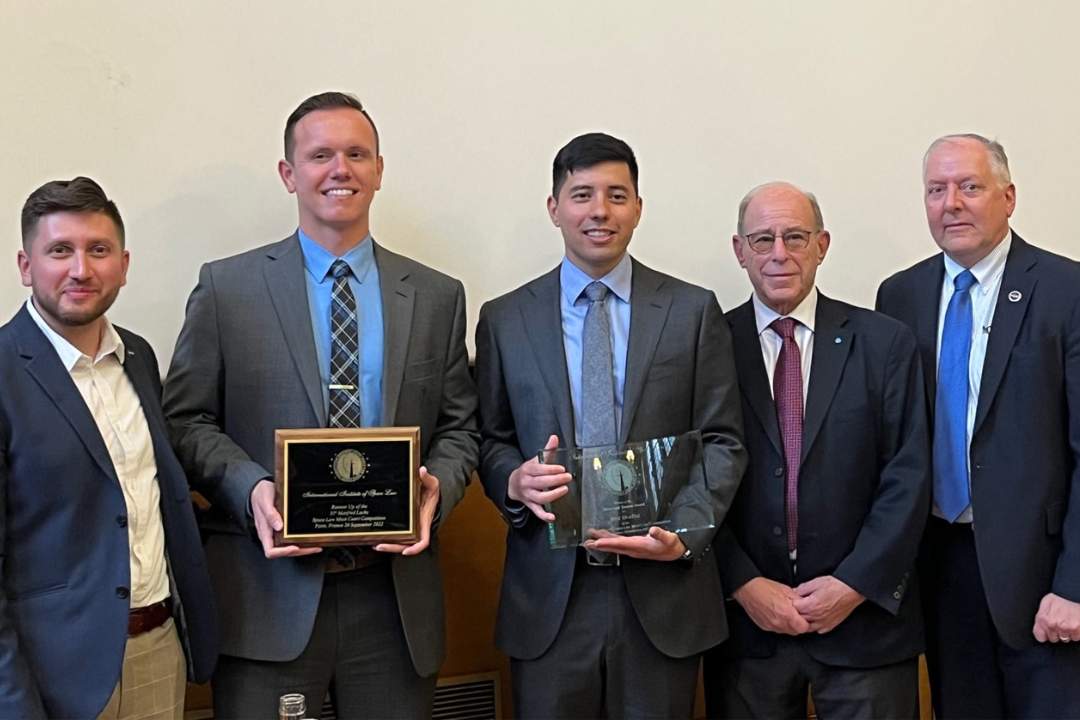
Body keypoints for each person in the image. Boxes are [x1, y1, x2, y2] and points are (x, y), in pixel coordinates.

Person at [162, 92, 479, 719]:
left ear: (380, 170)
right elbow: (185, 420)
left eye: (357, 154)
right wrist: (251, 488)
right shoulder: (228, 288)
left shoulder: (438, 295)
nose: (341, 169)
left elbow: (459, 428)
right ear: (289, 174)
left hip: (393, 602)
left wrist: (437, 486)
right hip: (268, 598)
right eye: (320, 155)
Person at [474, 132, 746, 719]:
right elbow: (490, 439)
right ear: (554, 209)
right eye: (581, 195)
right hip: (550, 593)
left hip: (662, 591)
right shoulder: (504, 318)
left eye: (617, 195)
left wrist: (686, 528)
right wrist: (513, 484)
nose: (599, 210)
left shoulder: (691, 311)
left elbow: (723, 439)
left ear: (639, 207)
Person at [703, 182, 930, 719]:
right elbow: (690, 473)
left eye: (795, 236)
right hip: (747, 632)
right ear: (740, 251)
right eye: (762, 239)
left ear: (822, 245)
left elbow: (909, 475)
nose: (779, 253)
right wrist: (743, 583)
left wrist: (854, 583)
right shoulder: (705, 343)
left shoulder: (884, 342)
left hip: (865, 628)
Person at [876, 133, 1080, 718]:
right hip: (940, 566)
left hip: (1042, 575)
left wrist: (1074, 585)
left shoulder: (1066, 291)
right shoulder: (900, 295)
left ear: (1009, 197)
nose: (952, 203)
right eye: (936, 190)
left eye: (969, 186)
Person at [0, 177, 217, 719]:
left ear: (122, 263)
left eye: (98, 250)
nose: (81, 269)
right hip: (49, 672)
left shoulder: (139, 357)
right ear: (26, 266)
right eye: (59, 251)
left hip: (156, 649)